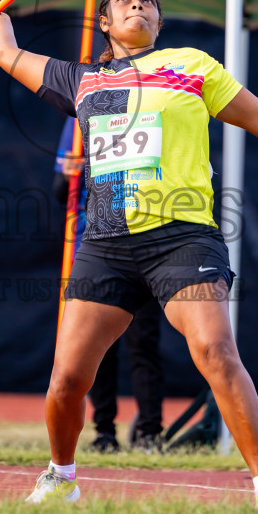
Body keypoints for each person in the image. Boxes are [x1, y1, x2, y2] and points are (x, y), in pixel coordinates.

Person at [0, 0, 258, 507]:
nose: (138, 6)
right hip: (107, 243)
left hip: (181, 237)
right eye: (125, 0)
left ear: (159, 23)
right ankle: (61, 476)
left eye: (148, 2)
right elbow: (7, 54)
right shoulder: (82, 79)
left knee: (214, 349)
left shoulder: (192, 66)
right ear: (104, 22)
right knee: (68, 377)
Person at [53, 115, 164, 452]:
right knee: (96, 348)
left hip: (146, 243)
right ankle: (104, 432)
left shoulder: (152, 111)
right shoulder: (78, 121)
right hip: (97, 248)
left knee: (143, 343)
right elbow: (60, 190)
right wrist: (72, 170)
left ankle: (149, 432)